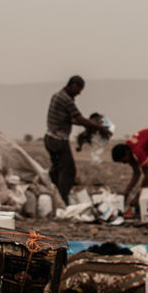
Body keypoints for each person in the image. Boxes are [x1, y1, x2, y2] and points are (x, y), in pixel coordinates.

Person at [45, 75, 110, 205]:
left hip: (49, 139)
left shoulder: (57, 96)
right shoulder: (66, 99)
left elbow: (69, 119)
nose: (79, 93)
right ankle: (62, 201)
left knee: (57, 169)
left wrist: (89, 125)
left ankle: (51, 195)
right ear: (74, 85)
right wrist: (100, 127)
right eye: (79, 89)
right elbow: (78, 118)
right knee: (68, 171)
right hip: (59, 140)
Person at [110, 126, 148, 213]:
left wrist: (138, 196)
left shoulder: (137, 151)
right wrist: (126, 192)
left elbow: (147, 173)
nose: (124, 163)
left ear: (127, 154)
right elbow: (137, 173)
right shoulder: (129, 150)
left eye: (124, 161)